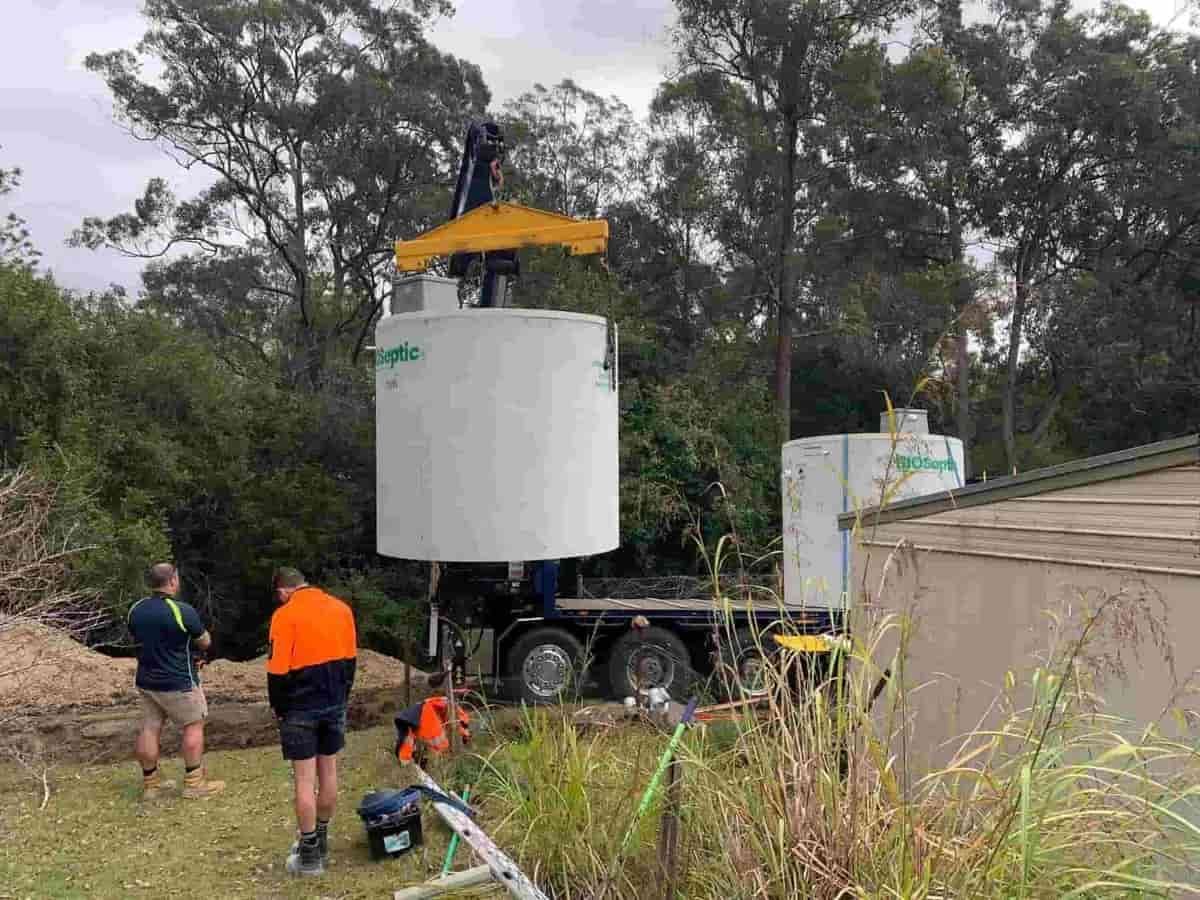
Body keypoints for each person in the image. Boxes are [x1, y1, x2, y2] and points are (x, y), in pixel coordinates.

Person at [266, 567, 357, 877]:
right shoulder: (342, 609)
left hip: (298, 707)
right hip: (334, 702)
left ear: (283, 591)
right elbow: (351, 662)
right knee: (328, 771)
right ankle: (322, 839)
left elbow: (277, 671)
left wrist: (278, 708)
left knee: (305, 781)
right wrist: (342, 699)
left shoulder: (284, 616)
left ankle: (308, 857)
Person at [127, 562, 225, 801]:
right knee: (193, 725)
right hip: (179, 681)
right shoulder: (182, 610)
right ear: (172, 581)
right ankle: (194, 782)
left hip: (147, 681)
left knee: (150, 728)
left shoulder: (136, 609)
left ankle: (151, 784)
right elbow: (204, 642)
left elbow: (137, 636)